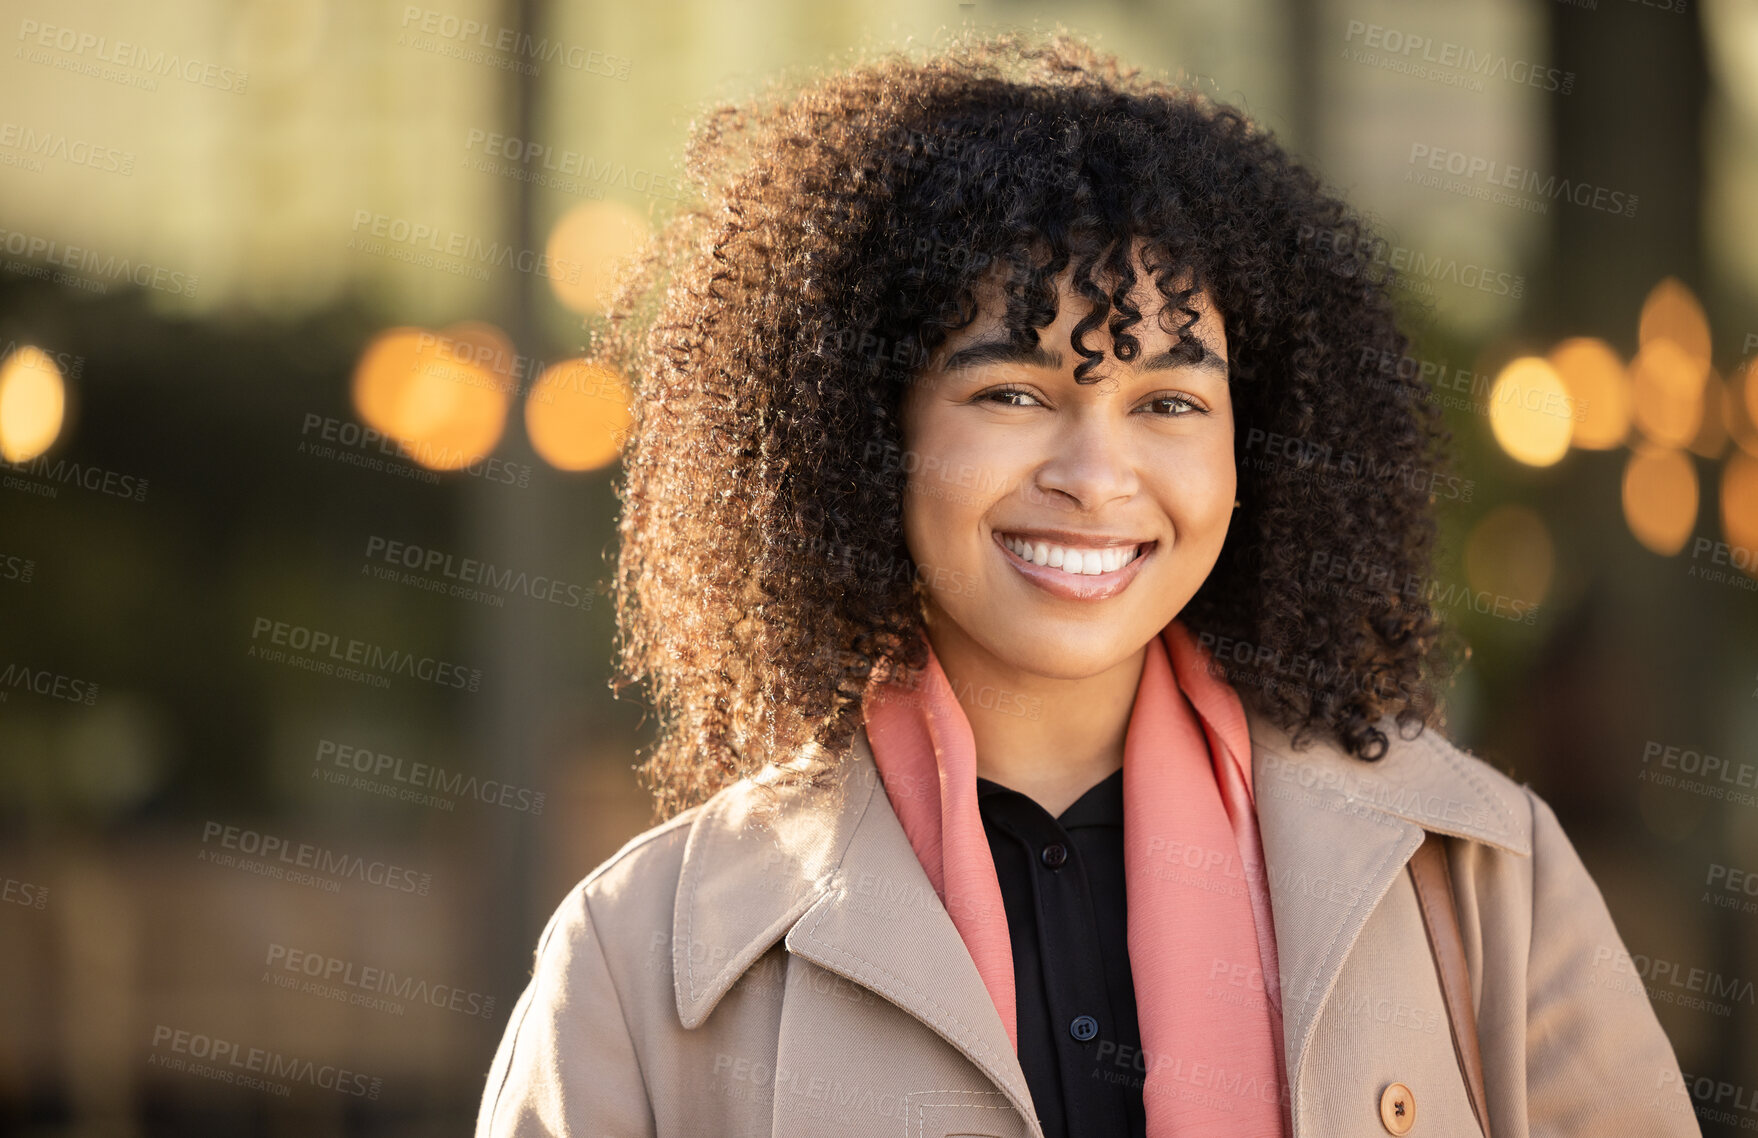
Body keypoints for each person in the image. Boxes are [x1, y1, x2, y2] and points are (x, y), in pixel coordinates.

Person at [474, 29, 1700, 1138]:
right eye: (1013, 393)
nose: (1097, 477)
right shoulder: (639, 958)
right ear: (864, 432)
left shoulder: (1480, 872)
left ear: (1251, 453)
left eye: (1169, 402)